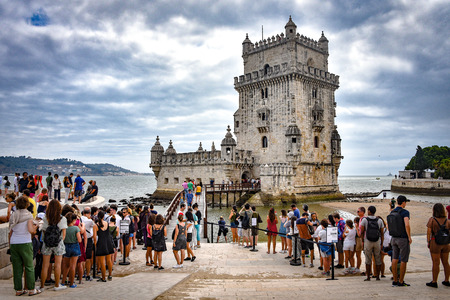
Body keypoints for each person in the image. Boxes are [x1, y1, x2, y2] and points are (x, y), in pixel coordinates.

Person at [9, 196, 40, 296]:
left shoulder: (13, 215)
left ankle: (18, 290)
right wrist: (36, 226)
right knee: (29, 266)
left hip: (14, 243)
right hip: (25, 242)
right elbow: (31, 230)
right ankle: (31, 289)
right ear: (27, 204)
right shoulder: (28, 215)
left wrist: (10, 245)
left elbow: (10, 231)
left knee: (17, 267)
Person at [40, 199, 68, 291]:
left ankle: (42, 286)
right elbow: (63, 234)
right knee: (57, 265)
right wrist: (59, 241)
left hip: (47, 243)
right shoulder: (62, 219)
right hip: (58, 243)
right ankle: (56, 285)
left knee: (45, 265)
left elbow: (44, 232)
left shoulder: (45, 218)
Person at [425, 203, 450, 288]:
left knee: (436, 263)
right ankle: (447, 280)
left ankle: (434, 281)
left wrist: (428, 242)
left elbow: (429, 232)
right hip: (446, 243)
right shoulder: (447, 221)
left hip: (435, 242)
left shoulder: (432, 220)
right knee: (446, 262)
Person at [390, 195, 412, 287]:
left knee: (394, 259)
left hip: (394, 238)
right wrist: (409, 236)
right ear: (403, 202)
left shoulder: (392, 212)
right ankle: (401, 281)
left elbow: (388, 225)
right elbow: (406, 224)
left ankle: (395, 280)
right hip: (402, 238)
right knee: (403, 260)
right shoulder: (405, 212)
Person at [360, 205, 384, 281]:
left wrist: (362, 241)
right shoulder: (379, 220)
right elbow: (382, 233)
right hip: (377, 241)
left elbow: (362, 231)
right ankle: (377, 276)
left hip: (368, 241)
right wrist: (382, 243)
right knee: (378, 259)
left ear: (369, 211)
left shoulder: (365, 220)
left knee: (368, 259)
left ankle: (368, 277)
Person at [93, 210, 114, 282]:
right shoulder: (107, 223)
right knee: (109, 260)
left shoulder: (96, 225)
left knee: (102, 262)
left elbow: (95, 238)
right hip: (108, 242)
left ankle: (103, 277)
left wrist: (96, 245)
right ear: (103, 216)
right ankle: (110, 275)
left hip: (101, 243)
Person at [61, 212, 81, 288]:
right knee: (73, 266)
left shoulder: (65, 228)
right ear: (73, 220)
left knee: (66, 266)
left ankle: (63, 282)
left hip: (66, 246)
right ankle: (71, 283)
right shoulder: (76, 228)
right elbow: (79, 240)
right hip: (74, 246)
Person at [81, 207, 95, 281]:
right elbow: (94, 226)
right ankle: (87, 274)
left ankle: (81, 273)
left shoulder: (80, 219)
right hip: (88, 239)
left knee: (81, 257)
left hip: (80, 239)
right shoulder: (89, 221)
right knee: (88, 258)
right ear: (89, 213)